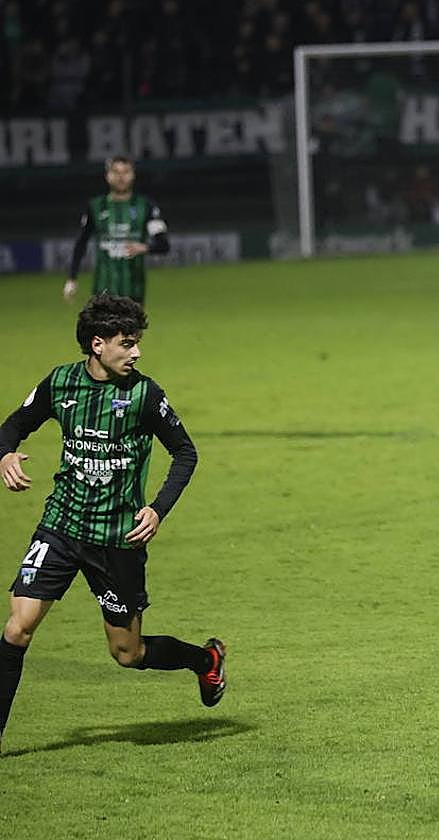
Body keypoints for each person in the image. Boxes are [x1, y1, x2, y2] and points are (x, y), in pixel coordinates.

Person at [0, 294, 225, 753]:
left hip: (117, 540)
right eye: (128, 343)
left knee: (128, 653)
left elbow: (185, 453)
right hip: (61, 527)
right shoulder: (61, 383)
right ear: (98, 345)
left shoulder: (145, 395)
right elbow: (14, 425)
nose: (136, 352)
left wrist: (157, 508)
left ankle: (206, 658)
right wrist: (4, 453)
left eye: (137, 343)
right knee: (17, 627)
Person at [64, 157, 170, 305]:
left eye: (125, 172)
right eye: (116, 172)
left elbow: (164, 245)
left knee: (129, 329)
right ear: (107, 176)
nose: (121, 177)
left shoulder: (146, 206)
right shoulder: (96, 206)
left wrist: (144, 247)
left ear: (133, 175)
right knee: (104, 328)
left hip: (134, 290)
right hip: (102, 290)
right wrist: (72, 278)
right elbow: (81, 242)